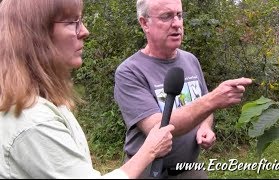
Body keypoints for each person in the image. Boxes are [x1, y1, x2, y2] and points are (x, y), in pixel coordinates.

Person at [0, 0, 175, 179]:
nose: (84, 31)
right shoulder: (32, 120)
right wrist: (149, 150)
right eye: (71, 22)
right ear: (35, 34)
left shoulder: (39, 100)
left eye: (80, 21)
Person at [114, 0, 253, 178]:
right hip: (150, 171)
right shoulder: (130, 71)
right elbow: (157, 126)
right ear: (144, 23)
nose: (177, 23)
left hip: (190, 169)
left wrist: (205, 127)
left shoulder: (190, 60)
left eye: (179, 15)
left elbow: (203, 107)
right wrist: (213, 99)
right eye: (166, 16)